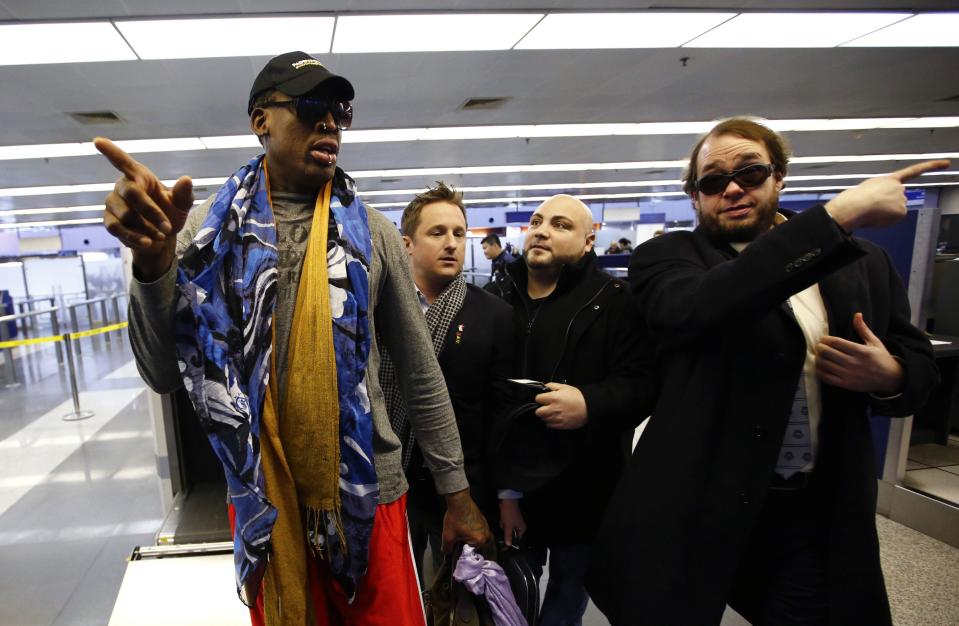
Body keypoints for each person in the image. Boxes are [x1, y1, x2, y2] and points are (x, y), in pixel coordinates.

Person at [95, 51, 490, 626]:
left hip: (369, 493)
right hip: (265, 499)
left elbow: (419, 370)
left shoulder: (374, 233)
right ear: (261, 121)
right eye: (310, 107)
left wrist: (457, 491)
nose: (329, 122)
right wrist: (152, 263)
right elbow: (160, 372)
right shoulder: (206, 236)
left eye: (340, 111)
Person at [588, 117, 945, 625]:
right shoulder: (669, 259)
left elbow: (921, 370)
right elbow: (700, 307)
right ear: (695, 196)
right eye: (712, 181)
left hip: (809, 510)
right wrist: (837, 215)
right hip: (695, 507)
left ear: (779, 178)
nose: (731, 188)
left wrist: (891, 376)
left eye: (750, 173)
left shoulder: (861, 262)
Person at [494, 194, 653, 626]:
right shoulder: (495, 300)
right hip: (513, 488)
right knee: (507, 602)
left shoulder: (618, 301)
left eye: (561, 225)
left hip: (586, 488)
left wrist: (590, 403)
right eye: (537, 221)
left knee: (564, 604)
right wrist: (504, 495)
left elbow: (644, 385)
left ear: (588, 241)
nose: (542, 230)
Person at [381, 182, 513, 583]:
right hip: (391, 479)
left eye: (459, 233)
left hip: (465, 486)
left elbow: (503, 412)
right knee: (394, 589)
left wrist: (508, 496)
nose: (452, 243)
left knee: (457, 598)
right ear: (406, 244)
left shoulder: (494, 315)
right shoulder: (378, 311)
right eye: (437, 233)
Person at [481, 233, 515, 299]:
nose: (484, 252)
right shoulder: (497, 260)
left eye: (485, 248)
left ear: (495, 246)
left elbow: (510, 292)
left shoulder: (508, 262)